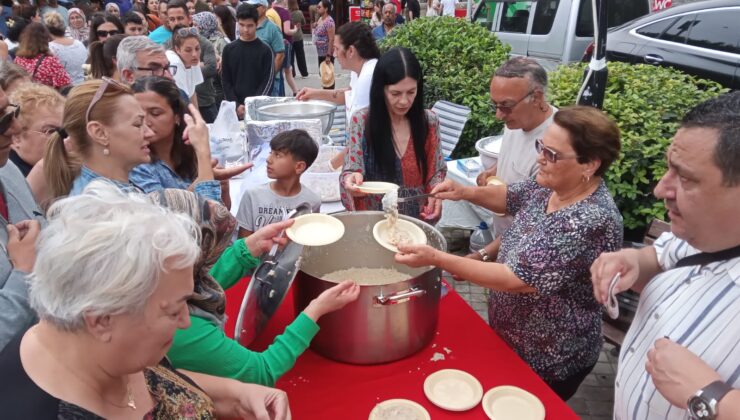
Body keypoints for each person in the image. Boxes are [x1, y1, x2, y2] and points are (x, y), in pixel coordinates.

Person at [0, 182, 292, 418]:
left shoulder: (98, 342)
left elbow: (156, 378)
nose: (186, 320)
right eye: (175, 310)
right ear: (102, 319)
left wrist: (237, 395)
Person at [398, 105, 623, 400]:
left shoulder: (587, 219)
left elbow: (514, 278)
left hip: (549, 355)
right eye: (541, 147)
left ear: (589, 165)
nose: (540, 158)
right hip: (511, 336)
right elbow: (510, 196)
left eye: (552, 154)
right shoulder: (553, 185)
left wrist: (436, 257)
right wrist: (463, 192)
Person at [590, 91, 740, 419]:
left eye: (685, 178)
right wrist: (632, 260)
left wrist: (711, 398)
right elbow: (662, 255)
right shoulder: (711, 235)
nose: (660, 189)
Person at [153, 187, 361, 386]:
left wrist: (251, 246)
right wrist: (315, 310)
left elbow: (204, 278)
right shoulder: (182, 326)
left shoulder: (161, 278)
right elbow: (261, 371)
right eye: (213, 252)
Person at [340, 47, 445, 221]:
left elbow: (436, 171)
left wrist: (437, 193)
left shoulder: (429, 121)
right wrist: (351, 180)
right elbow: (351, 169)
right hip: (374, 220)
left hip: (417, 221)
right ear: (381, 90)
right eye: (395, 93)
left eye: (411, 92)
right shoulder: (361, 122)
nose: (404, 101)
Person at [471, 57, 556, 263]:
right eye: (495, 105)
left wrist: (483, 254)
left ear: (536, 97)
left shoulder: (555, 145)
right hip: (502, 238)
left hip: (525, 253)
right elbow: (513, 154)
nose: (499, 115)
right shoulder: (517, 120)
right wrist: (494, 169)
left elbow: (531, 222)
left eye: (506, 106)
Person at [44, 78, 155, 198]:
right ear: (99, 133)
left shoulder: (112, 192)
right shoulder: (95, 207)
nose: (150, 133)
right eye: (138, 124)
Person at [0, 85, 45, 353]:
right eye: (2, 120)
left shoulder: (7, 171)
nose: (15, 127)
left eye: (9, 112)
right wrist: (24, 273)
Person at [129, 76, 221, 202]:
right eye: (139, 116)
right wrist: (204, 176)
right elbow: (165, 213)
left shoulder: (188, 151)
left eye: (155, 113)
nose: (146, 122)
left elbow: (221, 214)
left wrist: (223, 188)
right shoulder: (137, 163)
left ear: (177, 116)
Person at [237, 129, 321, 237]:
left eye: (277, 155)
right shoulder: (253, 196)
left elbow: (310, 243)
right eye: (270, 153)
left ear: (299, 166)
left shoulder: (312, 202)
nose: (268, 159)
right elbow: (242, 246)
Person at [297, 21, 379, 122]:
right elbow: (348, 94)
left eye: (336, 49)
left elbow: (358, 123)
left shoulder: (368, 75)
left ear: (351, 51)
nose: (334, 55)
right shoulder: (358, 70)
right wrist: (313, 93)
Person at [221, 3, 274, 120]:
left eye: (250, 25)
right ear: (237, 23)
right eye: (242, 25)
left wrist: (252, 105)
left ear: (257, 24)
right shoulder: (229, 49)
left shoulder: (265, 50)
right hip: (235, 109)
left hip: (258, 108)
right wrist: (235, 104)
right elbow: (226, 81)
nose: (245, 29)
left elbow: (268, 82)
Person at [9, 84, 64, 177]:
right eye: (51, 131)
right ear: (16, 138)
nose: (65, 139)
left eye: (66, 130)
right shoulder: (7, 184)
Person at [13, 23, 72, 90]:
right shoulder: (50, 61)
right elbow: (65, 85)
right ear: (46, 39)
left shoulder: (18, 60)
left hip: (25, 98)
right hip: (46, 98)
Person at [246, 0, 284, 97]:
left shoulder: (273, 28)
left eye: (255, 6)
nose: (251, 9)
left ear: (263, 8)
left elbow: (280, 55)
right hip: (250, 79)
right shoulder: (248, 27)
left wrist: (269, 76)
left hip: (269, 81)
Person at [192, 11, 229, 103]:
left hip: (217, 89)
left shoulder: (220, 41)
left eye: (196, 25)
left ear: (205, 25)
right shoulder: (195, 41)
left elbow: (221, 66)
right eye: (193, 25)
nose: (193, 28)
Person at [45, 12, 87, 86]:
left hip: (66, 89)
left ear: (47, 31)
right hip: (84, 85)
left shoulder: (51, 47)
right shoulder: (79, 43)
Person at [166, 25, 204, 107]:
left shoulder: (193, 59)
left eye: (197, 48)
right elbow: (182, 100)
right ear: (177, 49)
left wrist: (198, 118)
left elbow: (192, 93)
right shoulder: (174, 62)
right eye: (188, 50)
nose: (194, 54)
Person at [272, 0, 298, 96]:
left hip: (275, 43)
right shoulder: (284, 12)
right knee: (286, 69)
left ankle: (295, 90)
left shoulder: (272, 11)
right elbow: (287, 31)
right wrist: (295, 30)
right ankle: (293, 92)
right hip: (285, 43)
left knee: (282, 69)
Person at [288, 0, 307, 78]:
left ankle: (292, 73)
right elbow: (304, 22)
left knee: (291, 57)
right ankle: (304, 73)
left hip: (290, 36)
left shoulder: (287, 13)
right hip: (298, 36)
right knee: (301, 56)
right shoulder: (299, 13)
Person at [312, 0, 333, 70]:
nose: (317, 8)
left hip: (326, 54)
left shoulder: (329, 22)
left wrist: (328, 55)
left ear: (326, 9)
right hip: (320, 53)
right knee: (323, 76)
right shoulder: (320, 18)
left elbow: (331, 39)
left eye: (319, 7)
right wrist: (315, 25)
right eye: (317, 7)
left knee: (328, 78)